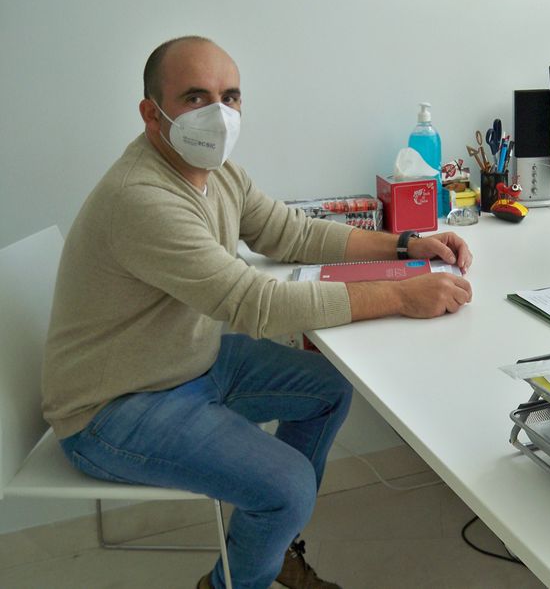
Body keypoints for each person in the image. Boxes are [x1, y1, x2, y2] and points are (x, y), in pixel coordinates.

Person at [41, 36, 473, 589]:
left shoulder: (218, 172)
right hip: (113, 406)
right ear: (153, 114)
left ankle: (266, 547)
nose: (218, 114)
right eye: (196, 97)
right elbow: (256, 304)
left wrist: (404, 244)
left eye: (231, 96)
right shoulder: (142, 197)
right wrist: (400, 296)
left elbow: (288, 232)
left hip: (185, 365)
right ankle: (237, 578)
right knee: (287, 486)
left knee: (327, 388)